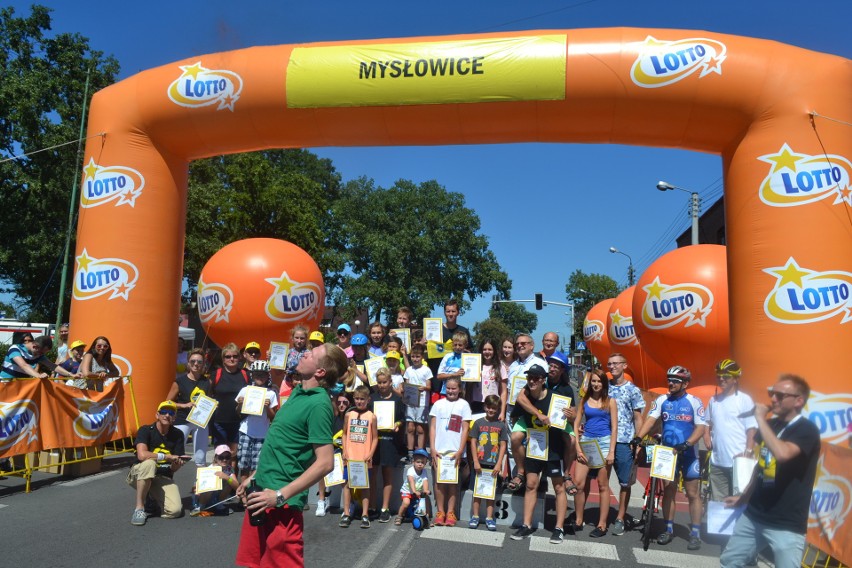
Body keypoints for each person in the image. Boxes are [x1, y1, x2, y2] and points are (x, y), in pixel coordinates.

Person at [237, 342, 349, 567]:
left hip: (281, 504)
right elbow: (280, 445)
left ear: (320, 371)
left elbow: (326, 463)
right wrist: (254, 476)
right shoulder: (297, 392)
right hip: (260, 493)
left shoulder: (319, 404)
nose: (305, 352)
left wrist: (279, 495)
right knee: (253, 564)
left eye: (312, 354)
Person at [719, 374, 820, 568]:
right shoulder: (771, 425)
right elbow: (761, 467)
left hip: (786, 522)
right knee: (730, 561)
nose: (773, 399)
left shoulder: (806, 429)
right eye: (771, 393)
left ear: (798, 401)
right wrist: (743, 498)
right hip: (755, 515)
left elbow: (782, 453)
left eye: (780, 395)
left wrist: (759, 418)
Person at [633, 365, 707, 550]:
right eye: (670, 380)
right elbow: (650, 420)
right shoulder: (662, 400)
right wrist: (638, 437)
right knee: (669, 491)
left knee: (692, 494)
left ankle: (695, 533)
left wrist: (688, 443)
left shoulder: (694, 401)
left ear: (685, 383)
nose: (671, 383)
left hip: (688, 452)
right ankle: (668, 529)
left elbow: (700, 428)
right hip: (668, 453)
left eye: (675, 381)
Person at [509, 365, 569, 543]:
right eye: (529, 378)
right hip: (535, 446)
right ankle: (526, 525)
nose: (532, 381)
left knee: (559, 487)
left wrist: (572, 415)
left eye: (536, 378)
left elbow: (570, 418)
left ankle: (559, 528)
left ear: (543, 380)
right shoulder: (526, 396)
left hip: (554, 447)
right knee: (531, 485)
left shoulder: (555, 398)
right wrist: (536, 418)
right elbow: (516, 412)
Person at [127, 400, 189, 526]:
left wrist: (177, 463)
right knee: (149, 463)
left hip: (162, 476)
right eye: (164, 412)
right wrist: (166, 456)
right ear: (157, 415)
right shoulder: (146, 430)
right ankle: (139, 508)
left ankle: (152, 496)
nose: (167, 415)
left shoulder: (178, 434)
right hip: (139, 473)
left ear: (174, 418)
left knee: (175, 511)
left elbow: (173, 469)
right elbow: (142, 455)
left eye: (171, 412)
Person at [703, 358, 757, 502]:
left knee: (739, 502)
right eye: (719, 376)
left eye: (726, 376)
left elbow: (751, 428)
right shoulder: (713, 400)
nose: (721, 379)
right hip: (717, 462)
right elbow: (706, 422)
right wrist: (706, 436)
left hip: (738, 462)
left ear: (735, 378)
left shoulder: (745, 400)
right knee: (718, 503)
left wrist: (749, 450)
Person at [572, 369, 617, 537]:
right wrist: (577, 446)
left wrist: (611, 451)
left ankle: (602, 524)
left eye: (599, 381)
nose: (596, 384)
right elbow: (576, 424)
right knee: (579, 483)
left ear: (604, 384)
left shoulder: (610, 402)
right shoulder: (584, 400)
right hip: (587, 443)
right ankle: (578, 519)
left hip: (605, 444)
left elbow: (614, 428)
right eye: (593, 381)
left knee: (602, 485)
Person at [606, 352, 645, 536]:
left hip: (624, 441)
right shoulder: (603, 387)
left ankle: (620, 518)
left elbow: (638, 417)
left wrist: (638, 441)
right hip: (604, 438)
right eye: (609, 364)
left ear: (624, 365)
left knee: (624, 483)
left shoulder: (632, 390)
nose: (612, 366)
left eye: (615, 363)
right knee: (601, 481)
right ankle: (602, 516)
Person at [505, 336, 549, 492]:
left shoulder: (540, 364)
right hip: (513, 410)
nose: (520, 346)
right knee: (513, 445)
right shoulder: (513, 365)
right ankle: (517, 477)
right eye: (517, 344)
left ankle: (537, 480)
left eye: (524, 343)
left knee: (536, 446)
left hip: (533, 412)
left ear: (532, 345)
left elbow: (545, 390)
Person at [429, 376, 471, 527]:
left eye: (454, 388)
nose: (451, 391)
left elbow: (465, 428)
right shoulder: (438, 404)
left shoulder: (464, 405)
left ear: (460, 389)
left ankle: (451, 512)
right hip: (439, 450)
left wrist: (461, 450)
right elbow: (433, 427)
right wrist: (433, 448)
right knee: (439, 483)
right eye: (448, 388)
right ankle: (440, 511)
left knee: (453, 483)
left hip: (455, 451)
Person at [468, 394, 509, 531]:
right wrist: (475, 461)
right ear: (485, 407)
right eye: (489, 407)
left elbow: (503, 445)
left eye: (494, 408)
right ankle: (475, 516)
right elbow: (473, 442)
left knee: (490, 493)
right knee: (477, 492)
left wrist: (499, 464)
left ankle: (490, 517)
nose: (491, 410)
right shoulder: (478, 423)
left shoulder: (501, 425)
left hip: (493, 465)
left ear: (498, 409)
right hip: (479, 463)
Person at [370, 368, 406, 523]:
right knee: (372, 476)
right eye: (379, 382)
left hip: (390, 442)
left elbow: (402, 419)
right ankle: (371, 507)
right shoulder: (372, 398)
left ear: (390, 382)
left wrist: (397, 424)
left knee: (387, 476)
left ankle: (385, 508)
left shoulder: (397, 400)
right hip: (373, 442)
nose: (382, 385)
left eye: (385, 382)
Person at [340, 384, 377, 529]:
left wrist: (370, 453)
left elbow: (374, 438)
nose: (359, 401)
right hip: (350, 457)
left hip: (364, 457)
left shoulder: (371, 417)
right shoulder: (349, 415)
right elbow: (344, 433)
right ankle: (347, 513)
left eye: (362, 399)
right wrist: (345, 451)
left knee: (364, 486)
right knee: (347, 484)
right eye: (357, 399)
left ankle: (365, 514)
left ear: (368, 399)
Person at [236, 360, 279, 483]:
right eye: (257, 374)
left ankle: (252, 492)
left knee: (257, 466)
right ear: (252, 375)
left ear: (267, 376)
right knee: (244, 464)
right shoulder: (245, 390)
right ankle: (243, 497)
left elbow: (273, 417)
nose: (260, 377)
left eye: (263, 374)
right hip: (246, 431)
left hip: (262, 434)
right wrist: (240, 404)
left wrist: (267, 407)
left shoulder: (271, 393)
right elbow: (238, 412)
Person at [167, 347, 211, 466]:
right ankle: (166, 480)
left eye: (199, 362)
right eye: (193, 361)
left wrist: (213, 405)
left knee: (201, 457)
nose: (196, 364)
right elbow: (168, 402)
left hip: (200, 421)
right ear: (188, 363)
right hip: (182, 420)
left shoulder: (207, 382)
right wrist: (184, 405)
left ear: (203, 364)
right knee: (175, 455)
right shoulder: (179, 381)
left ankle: (198, 484)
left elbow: (209, 399)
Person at [211, 343, 251, 471]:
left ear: (239, 358)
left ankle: (231, 485)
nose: (232, 359)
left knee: (234, 455)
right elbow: (207, 394)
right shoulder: (216, 374)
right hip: (219, 421)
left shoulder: (245, 375)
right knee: (221, 455)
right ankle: (217, 485)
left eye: (235, 356)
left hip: (239, 421)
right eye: (228, 356)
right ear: (223, 359)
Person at [1, 335, 80, 382]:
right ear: (35, 346)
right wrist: (38, 375)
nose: (41, 355)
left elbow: (53, 366)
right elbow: (23, 365)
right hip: (5, 383)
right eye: (41, 352)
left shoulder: (38, 354)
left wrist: (71, 374)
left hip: (20, 385)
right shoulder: (15, 348)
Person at [403, 343, 432, 462]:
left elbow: (429, 386)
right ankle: (410, 452)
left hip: (422, 402)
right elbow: (406, 384)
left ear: (422, 357)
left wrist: (423, 388)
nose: (415, 359)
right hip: (411, 402)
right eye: (413, 357)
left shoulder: (426, 370)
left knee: (420, 428)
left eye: (417, 357)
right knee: (410, 427)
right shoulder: (409, 370)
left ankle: (420, 451)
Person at [194, 445, 239, 516]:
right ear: (216, 458)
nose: (224, 460)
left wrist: (227, 477)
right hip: (203, 497)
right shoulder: (209, 469)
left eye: (227, 457)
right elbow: (197, 487)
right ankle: (201, 506)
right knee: (209, 484)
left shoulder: (229, 469)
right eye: (221, 457)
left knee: (230, 482)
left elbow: (237, 486)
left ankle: (219, 504)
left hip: (217, 498)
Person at [395, 448, 431, 525]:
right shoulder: (411, 471)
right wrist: (414, 491)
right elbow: (411, 481)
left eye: (422, 462)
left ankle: (426, 517)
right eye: (418, 462)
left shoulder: (424, 471)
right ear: (413, 462)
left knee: (426, 499)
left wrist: (426, 490)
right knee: (406, 503)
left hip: (418, 492)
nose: (420, 464)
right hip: (407, 491)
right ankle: (399, 516)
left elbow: (425, 481)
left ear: (425, 463)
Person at [468, 338, 502, 414]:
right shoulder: (475, 365)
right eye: (484, 349)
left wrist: (502, 412)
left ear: (494, 351)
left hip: (493, 403)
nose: (487, 352)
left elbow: (504, 391)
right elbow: (469, 388)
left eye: (490, 349)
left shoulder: (500, 367)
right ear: (481, 350)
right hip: (476, 403)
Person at [435, 331, 468, 402]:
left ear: (465, 345)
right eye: (455, 345)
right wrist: (454, 374)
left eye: (460, 345)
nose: (457, 347)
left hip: (460, 394)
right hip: (445, 393)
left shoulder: (468, 358)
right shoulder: (447, 357)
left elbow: (472, 375)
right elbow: (439, 376)